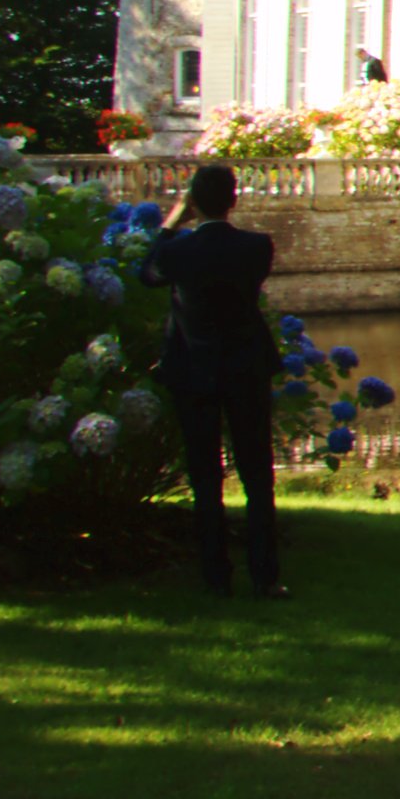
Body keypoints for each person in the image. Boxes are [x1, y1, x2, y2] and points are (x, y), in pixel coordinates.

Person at [139, 165, 289, 599]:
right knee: (258, 476)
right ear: (234, 200)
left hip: (195, 369)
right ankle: (265, 576)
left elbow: (146, 274)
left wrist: (171, 224)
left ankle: (216, 577)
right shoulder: (256, 247)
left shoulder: (179, 252)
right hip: (245, 367)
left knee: (205, 477)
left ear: (194, 203)